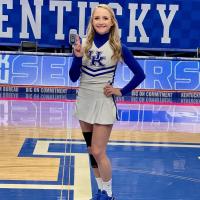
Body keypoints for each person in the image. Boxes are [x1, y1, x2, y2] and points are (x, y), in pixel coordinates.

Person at [69, 4, 145, 200]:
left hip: (103, 102)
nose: (100, 22)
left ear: (112, 22)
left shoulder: (119, 47)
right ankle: (100, 191)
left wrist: (121, 91)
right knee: (90, 150)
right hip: (84, 100)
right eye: (97, 18)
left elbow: (140, 74)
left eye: (105, 18)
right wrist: (77, 57)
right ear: (92, 22)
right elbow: (72, 76)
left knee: (98, 150)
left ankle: (109, 194)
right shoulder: (83, 44)